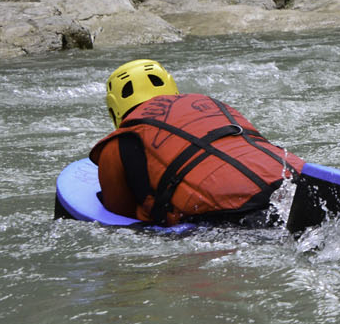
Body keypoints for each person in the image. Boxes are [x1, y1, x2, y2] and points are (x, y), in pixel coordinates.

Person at [89, 59, 303, 226]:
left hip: (231, 214)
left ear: (114, 108)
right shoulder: (211, 103)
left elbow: (120, 217)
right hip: (296, 178)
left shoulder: (118, 143)